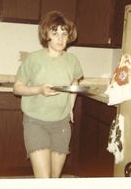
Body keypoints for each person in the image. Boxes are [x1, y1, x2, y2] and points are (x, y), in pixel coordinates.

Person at [13, 11, 83, 178]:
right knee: (44, 179)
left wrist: (71, 107)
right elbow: (17, 88)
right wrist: (39, 90)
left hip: (61, 125)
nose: (60, 38)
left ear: (68, 36)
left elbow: (74, 82)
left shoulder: (72, 60)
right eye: (55, 33)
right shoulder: (33, 59)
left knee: (54, 178)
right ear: (47, 36)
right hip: (35, 123)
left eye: (64, 33)